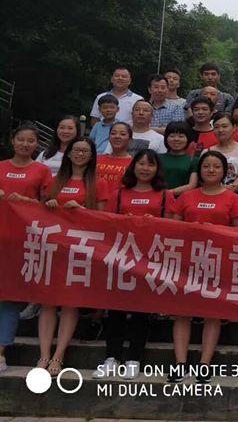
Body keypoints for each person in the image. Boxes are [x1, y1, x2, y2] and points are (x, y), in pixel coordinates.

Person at [93, 150, 174, 381]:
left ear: (157, 169)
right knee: (116, 310)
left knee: (141, 311)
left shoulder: (165, 196)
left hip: (149, 259)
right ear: (133, 166)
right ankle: (111, 357)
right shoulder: (119, 193)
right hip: (121, 258)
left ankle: (134, 358)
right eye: (141, 164)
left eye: (150, 165)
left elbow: (173, 227)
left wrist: (154, 224)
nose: (145, 168)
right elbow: (106, 223)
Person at [168, 151, 238, 384]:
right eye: (206, 166)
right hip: (187, 261)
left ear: (225, 171)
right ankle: (180, 364)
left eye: (216, 166)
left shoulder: (233, 198)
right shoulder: (187, 197)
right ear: (199, 171)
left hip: (218, 261)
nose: (211, 170)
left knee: (212, 313)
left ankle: (205, 364)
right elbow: (172, 229)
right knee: (182, 313)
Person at [39, 138, 110, 377]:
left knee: (70, 302)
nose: (80, 154)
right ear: (68, 153)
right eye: (76, 150)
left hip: (80, 249)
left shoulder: (99, 183)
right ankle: (44, 355)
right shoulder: (54, 181)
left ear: (92, 156)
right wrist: (48, 204)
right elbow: (37, 212)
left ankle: (59, 355)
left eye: (85, 151)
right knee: (48, 303)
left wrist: (82, 211)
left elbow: (103, 219)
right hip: (52, 247)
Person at [0, 125, 51, 373]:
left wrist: (27, 202)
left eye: (31, 141)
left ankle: (1, 352)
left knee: (9, 297)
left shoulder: (42, 171)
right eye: (21, 139)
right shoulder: (0, 167)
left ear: (37, 144)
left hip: (22, 241)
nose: (25, 144)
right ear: (13, 141)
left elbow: (48, 206)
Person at [209, 113, 238, 196]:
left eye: (224, 126)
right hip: (212, 193)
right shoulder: (208, 151)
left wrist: (229, 190)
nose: (220, 130)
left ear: (234, 127)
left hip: (236, 194)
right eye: (216, 127)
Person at [159, 121, 198, 197]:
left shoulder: (194, 160)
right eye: (172, 136)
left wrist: (168, 193)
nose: (176, 139)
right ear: (166, 138)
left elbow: (192, 185)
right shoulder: (157, 158)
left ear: (188, 138)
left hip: (183, 199)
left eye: (181, 136)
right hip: (158, 198)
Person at [96, 122, 133, 192]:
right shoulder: (97, 159)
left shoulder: (133, 163)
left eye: (122, 134)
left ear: (130, 139)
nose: (117, 136)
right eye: (113, 133)